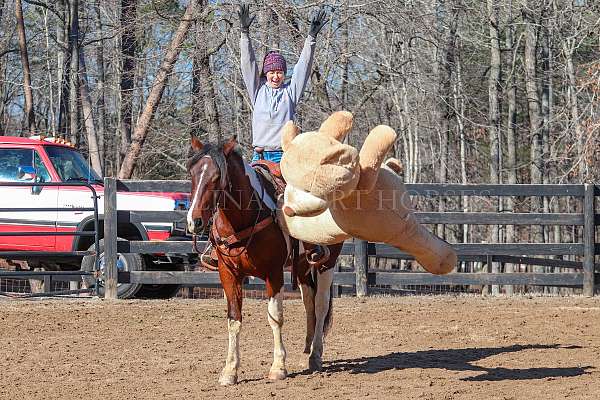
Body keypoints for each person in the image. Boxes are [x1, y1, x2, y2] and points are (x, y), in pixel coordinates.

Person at [238, 3, 327, 163]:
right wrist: (245, 34)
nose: (275, 76)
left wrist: (311, 39)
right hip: (259, 155)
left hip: (283, 156)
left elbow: (303, 68)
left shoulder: (290, 93)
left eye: (279, 72)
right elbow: (247, 64)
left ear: (284, 74)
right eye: (271, 72)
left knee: (291, 188)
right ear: (266, 74)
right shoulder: (258, 91)